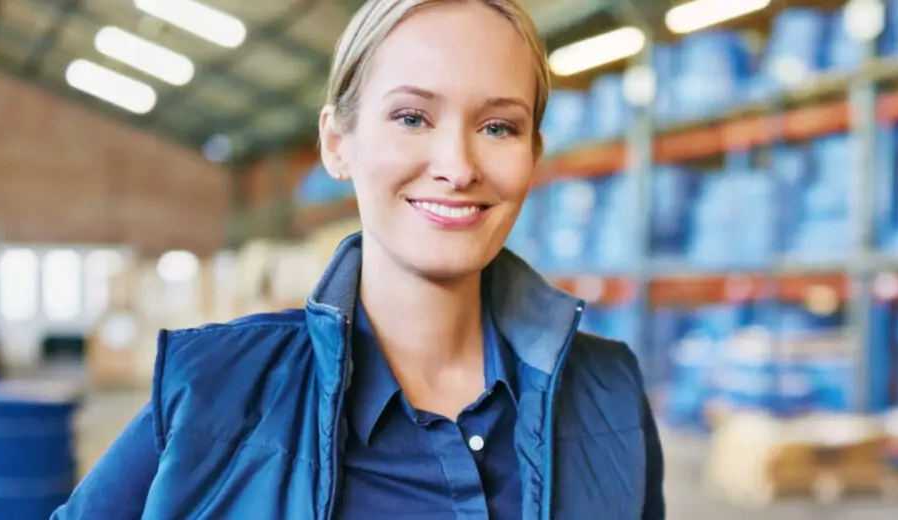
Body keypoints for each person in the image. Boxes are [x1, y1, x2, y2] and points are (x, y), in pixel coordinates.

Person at [50, 0, 666, 518]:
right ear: (337, 143)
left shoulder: (610, 392)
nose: (456, 166)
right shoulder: (211, 391)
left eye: (498, 127)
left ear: (534, 152)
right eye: (412, 117)